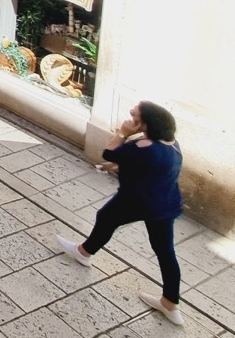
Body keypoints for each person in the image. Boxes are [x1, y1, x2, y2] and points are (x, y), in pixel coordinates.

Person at [56, 101, 185, 325]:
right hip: (165, 204)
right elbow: (153, 168)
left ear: (144, 123)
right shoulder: (172, 144)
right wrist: (119, 167)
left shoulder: (144, 145)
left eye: (135, 115)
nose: (130, 114)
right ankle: (170, 304)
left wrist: (123, 133)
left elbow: (108, 151)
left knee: (105, 218)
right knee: (165, 252)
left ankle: (84, 253)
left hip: (137, 201)